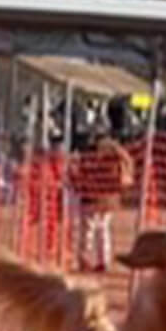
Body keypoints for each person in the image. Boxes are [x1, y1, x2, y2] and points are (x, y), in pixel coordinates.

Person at [69, 96, 134, 272]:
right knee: (102, 231)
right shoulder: (116, 152)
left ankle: (85, 258)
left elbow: (80, 170)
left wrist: (78, 181)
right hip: (108, 197)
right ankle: (102, 260)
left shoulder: (94, 153)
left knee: (89, 230)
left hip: (93, 196)